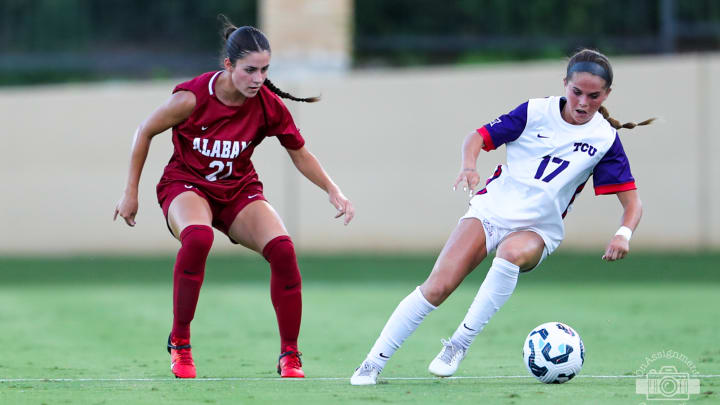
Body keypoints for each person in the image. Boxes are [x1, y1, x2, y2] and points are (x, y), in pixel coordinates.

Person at [350, 48, 652, 385]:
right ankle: (371, 363)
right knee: (438, 287)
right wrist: (468, 166)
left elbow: (633, 203)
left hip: (539, 228)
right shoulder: (535, 111)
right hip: (491, 210)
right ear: (564, 84)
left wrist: (623, 233)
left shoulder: (605, 139)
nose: (583, 102)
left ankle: (458, 345)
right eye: (576, 92)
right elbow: (477, 137)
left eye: (593, 96)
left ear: (607, 95)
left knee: (510, 253)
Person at [114, 17, 354, 379]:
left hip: (238, 190)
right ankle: (180, 342)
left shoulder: (268, 105)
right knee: (198, 238)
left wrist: (333, 190)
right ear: (228, 66)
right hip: (186, 184)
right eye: (250, 70)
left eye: (265, 70)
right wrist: (130, 191)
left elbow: (300, 153)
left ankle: (290, 354)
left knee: (284, 251)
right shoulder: (192, 98)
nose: (258, 79)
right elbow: (144, 131)